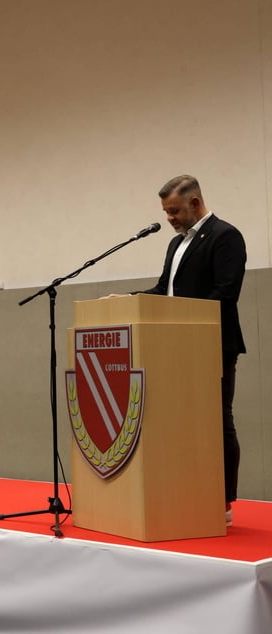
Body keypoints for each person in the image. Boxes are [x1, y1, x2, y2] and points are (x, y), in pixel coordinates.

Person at [115, 175, 246, 524]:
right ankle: (185, 491)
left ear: (194, 203)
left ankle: (222, 501)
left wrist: (181, 317)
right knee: (178, 422)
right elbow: (164, 290)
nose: (169, 218)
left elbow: (226, 292)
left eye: (173, 211)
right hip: (173, 347)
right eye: (165, 212)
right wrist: (128, 300)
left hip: (211, 344)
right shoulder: (175, 245)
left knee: (217, 421)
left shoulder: (225, 236)